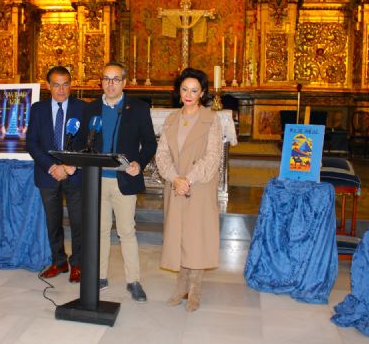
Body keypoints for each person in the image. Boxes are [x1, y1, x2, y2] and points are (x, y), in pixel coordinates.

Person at [77, 61, 157, 302]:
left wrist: (138, 163)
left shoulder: (139, 108)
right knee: (99, 230)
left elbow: (150, 143)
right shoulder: (90, 109)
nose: (110, 84)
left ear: (124, 82)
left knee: (126, 231)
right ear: (101, 82)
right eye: (106, 79)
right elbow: (82, 141)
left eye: (115, 79)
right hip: (96, 180)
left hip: (123, 181)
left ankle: (133, 281)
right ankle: (99, 277)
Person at [155, 67, 223, 311]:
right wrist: (175, 178)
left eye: (194, 90)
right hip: (175, 187)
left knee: (196, 237)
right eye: (185, 89)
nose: (188, 94)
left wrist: (189, 179)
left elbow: (213, 156)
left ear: (202, 93)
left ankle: (194, 290)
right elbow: (161, 154)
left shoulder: (211, 120)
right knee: (178, 236)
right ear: (179, 90)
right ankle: (180, 286)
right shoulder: (171, 119)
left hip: (199, 187)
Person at [26, 66, 86, 283]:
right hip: (47, 174)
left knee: (79, 222)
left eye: (65, 84)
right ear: (48, 86)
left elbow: (89, 142)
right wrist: (52, 167)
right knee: (53, 222)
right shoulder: (38, 109)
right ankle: (59, 262)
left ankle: (77, 264)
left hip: (75, 175)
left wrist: (70, 165)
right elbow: (31, 143)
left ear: (71, 85)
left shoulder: (82, 108)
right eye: (56, 84)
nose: (61, 89)